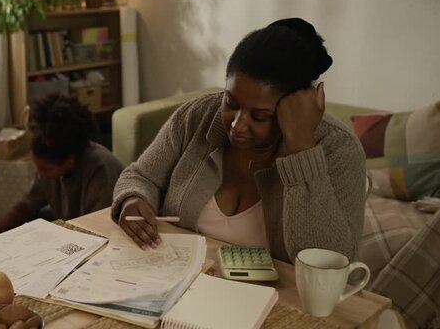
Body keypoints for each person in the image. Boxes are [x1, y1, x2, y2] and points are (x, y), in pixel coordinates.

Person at [112, 18, 366, 264]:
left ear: (295, 107)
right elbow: (140, 176)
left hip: (280, 301)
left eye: (260, 116)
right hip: (181, 282)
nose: (237, 125)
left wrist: (301, 148)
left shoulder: (338, 148)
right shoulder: (198, 116)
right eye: (230, 102)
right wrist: (133, 199)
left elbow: (331, 261)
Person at [0, 93, 124, 236]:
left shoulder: (101, 170)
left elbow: (100, 230)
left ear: (69, 162)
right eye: (37, 166)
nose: (41, 174)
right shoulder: (49, 169)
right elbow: (26, 205)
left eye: (46, 169)